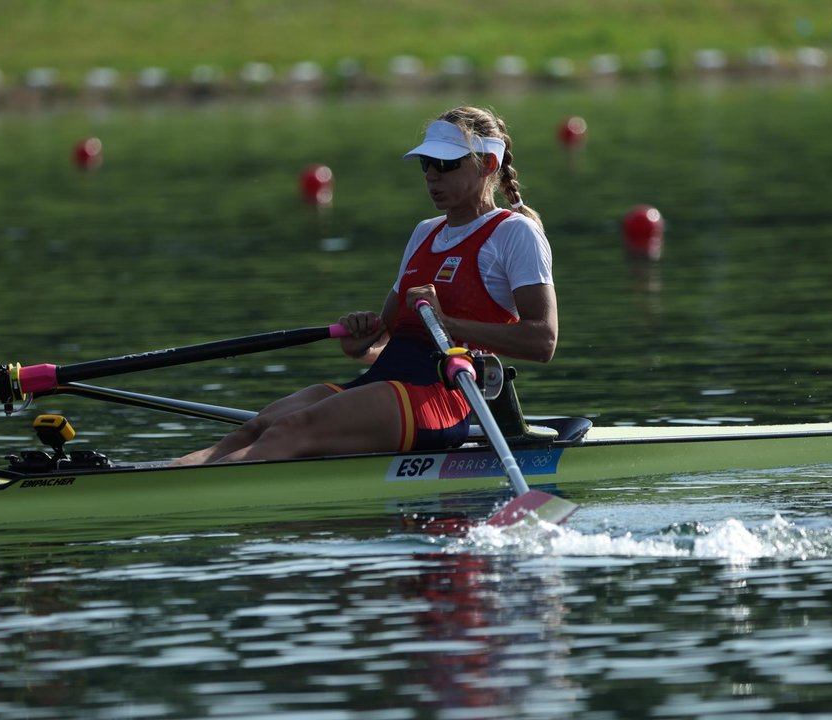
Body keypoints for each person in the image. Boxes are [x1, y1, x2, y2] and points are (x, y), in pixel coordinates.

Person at [173, 105, 557, 465]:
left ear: (488, 164)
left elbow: (543, 341)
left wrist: (448, 324)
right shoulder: (425, 232)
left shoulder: (514, 234)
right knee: (259, 425)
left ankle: (189, 503)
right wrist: (361, 339)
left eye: (445, 164)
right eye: (426, 163)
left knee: (290, 430)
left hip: (439, 398)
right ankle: (159, 479)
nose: (431, 175)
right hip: (383, 380)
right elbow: (383, 340)